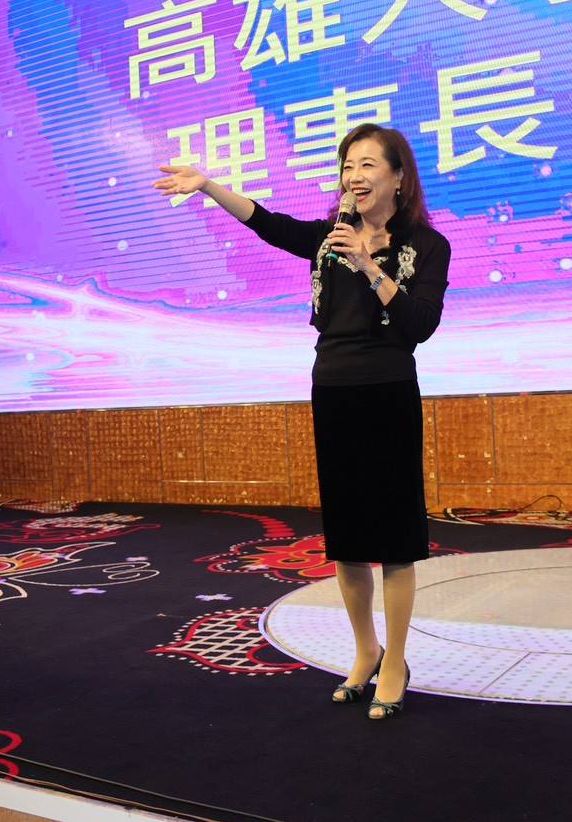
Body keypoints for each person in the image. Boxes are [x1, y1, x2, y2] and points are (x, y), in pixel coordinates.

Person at [155, 123, 451, 719]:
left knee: (394, 538)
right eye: (347, 165)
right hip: (333, 390)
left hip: (388, 392)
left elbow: (420, 325)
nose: (354, 176)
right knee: (348, 537)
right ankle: (365, 651)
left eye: (368, 164)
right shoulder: (327, 237)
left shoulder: (426, 243)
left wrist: (368, 264)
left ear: (398, 177)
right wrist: (208, 185)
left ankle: (396, 661)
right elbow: (266, 223)